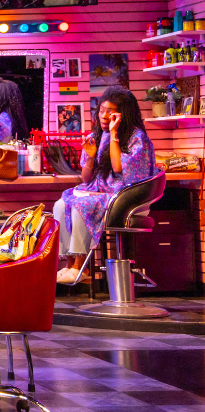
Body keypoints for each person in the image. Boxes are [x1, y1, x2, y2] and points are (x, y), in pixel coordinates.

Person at [54, 86, 155, 284]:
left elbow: (118, 168)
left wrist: (114, 133)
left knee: (81, 205)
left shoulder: (137, 139)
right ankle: (68, 263)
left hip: (127, 196)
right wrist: (90, 158)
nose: (104, 116)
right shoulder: (95, 137)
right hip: (100, 192)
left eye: (110, 112)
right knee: (61, 203)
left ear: (123, 114)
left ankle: (79, 267)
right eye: (101, 110)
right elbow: (86, 178)